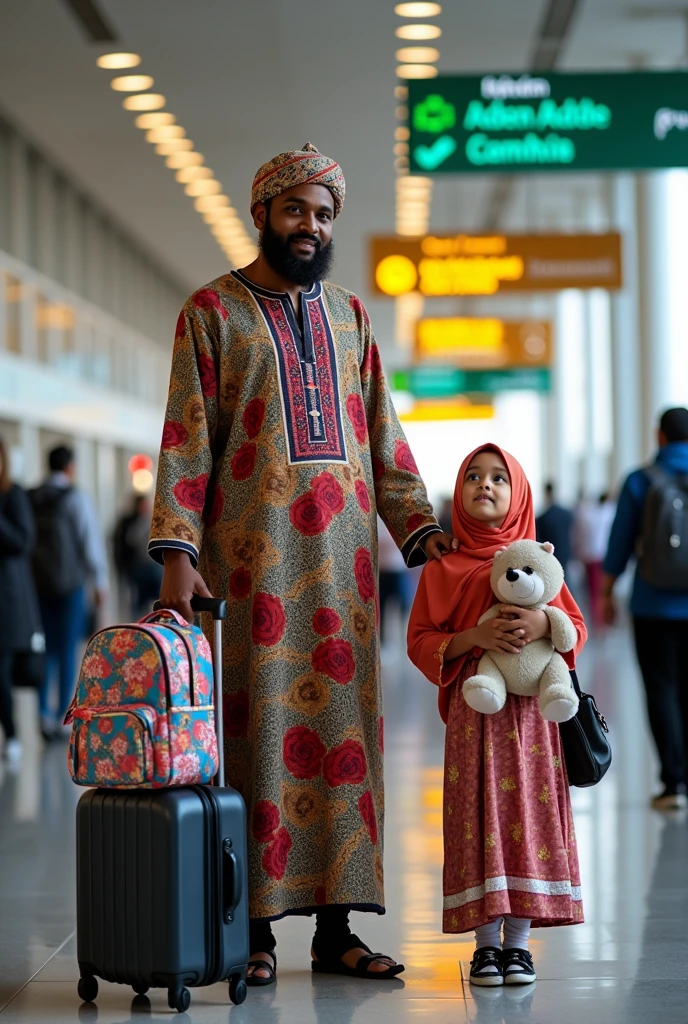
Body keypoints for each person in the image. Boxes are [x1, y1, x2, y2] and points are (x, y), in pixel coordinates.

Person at [149, 142, 457, 985]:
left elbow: (384, 441)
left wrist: (422, 533)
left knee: (342, 745)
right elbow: (186, 437)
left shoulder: (353, 318)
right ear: (263, 214)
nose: (310, 227)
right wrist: (177, 551)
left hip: (346, 584)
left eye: (323, 214)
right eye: (295, 211)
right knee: (257, 742)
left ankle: (337, 931)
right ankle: (251, 931)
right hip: (253, 578)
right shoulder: (211, 313)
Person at [408, 445, 587, 987]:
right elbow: (419, 640)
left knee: (527, 817)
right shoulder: (442, 569)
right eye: (473, 478)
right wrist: (473, 638)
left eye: (499, 479)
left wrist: (542, 624)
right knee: (477, 815)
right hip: (474, 717)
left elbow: (575, 629)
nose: (485, 485)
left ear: (520, 495)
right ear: (458, 495)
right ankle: (487, 945)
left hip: (533, 722)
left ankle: (520, 945)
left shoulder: (538, 564)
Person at [601, 407, 688, 811]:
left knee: (661, 689)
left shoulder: (641, 480)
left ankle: (675, 783)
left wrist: (605, 592)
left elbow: (619, 543)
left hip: (652, 603)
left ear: (660, 436)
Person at [30, 445, 109, 741]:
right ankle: (63, 715)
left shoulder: (31, 497)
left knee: (43, 650)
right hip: (69, 587)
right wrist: (100, 584)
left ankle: (42, 714)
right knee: (66, 651)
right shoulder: (75, 498)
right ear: (70, 467)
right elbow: (90, 543)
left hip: (36, 588)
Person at [0, 436, 44, 767]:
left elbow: (23, 542)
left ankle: (12, 734)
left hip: (8, 601)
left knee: (1, 670)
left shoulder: (12, 494)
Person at [113, 494, 162, 618]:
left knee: (157, 598)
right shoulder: (129, 523)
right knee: (139, 601)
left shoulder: (156, 520)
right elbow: (125, 544)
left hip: (155, 569)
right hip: (138, 569)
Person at [573, 492, 616, 628]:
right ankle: (603, 618)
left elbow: (582, 536)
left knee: (593, 590)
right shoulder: (610, 514)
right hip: (604, 555)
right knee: (604, 588)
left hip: (591, 555)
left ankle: (597, 618)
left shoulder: (590, 515)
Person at [377, 517, 410, 646]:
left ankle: (404, 637)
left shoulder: (399, 521)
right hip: (383, 570)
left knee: (403, 604)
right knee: (382, 607)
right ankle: (383, 640)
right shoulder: (378, 521)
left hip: (398, 570)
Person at [535, 483, 573, 579]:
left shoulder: (543, 517)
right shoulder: (566, 513)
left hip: (550, 551)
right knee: (565, 576)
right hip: (565, 549)